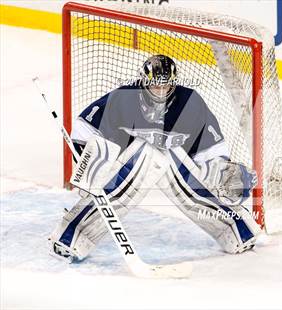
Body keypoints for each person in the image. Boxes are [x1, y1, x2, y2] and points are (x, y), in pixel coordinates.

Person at [49, 54, 260, 261]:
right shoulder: (123, 98)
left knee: (174, 168)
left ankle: (237, 230)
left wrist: (219, 171)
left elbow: (211, 147)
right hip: (125, 167)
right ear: (144, 81)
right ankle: (72, 237)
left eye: (165, 87)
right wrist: (92, 166)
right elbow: (84, 128)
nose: (160, 92)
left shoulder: (190, 102)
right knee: (143, 158)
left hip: (172, 165)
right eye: (155, 86)